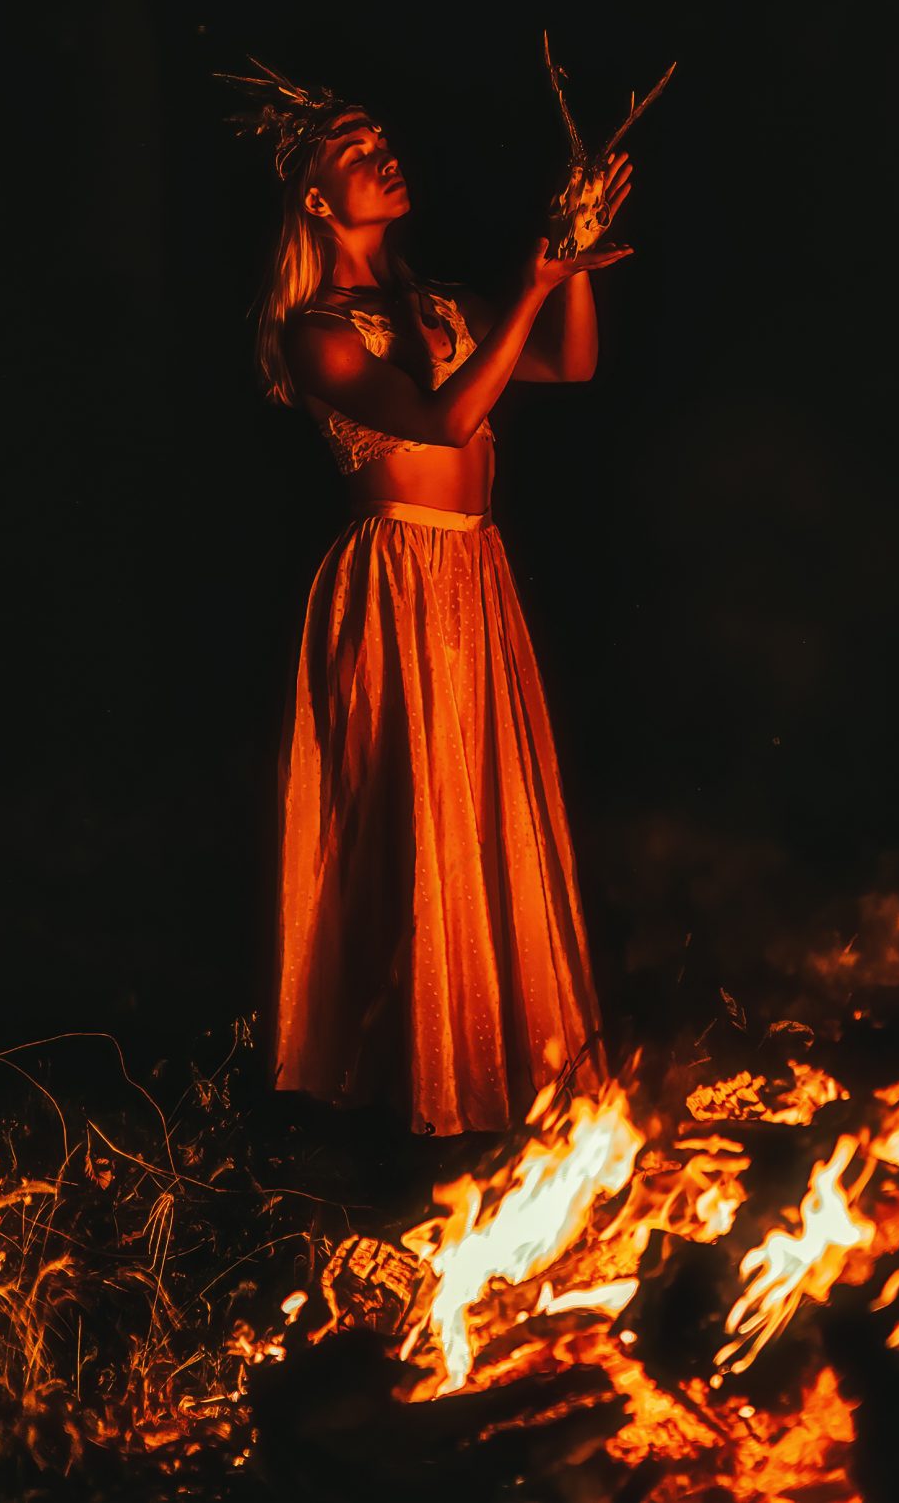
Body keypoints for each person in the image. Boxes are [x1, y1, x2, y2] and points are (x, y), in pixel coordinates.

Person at [227, 61, 632, 1136]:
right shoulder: (316, 328)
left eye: (381, 137)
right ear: (316, 198)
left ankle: (498, 1075)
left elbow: (570, 364)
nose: (383, 152)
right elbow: (446, 422)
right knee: (409, 821)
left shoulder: (440, 301)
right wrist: (535, 286)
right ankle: (392, 1099)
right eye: (354, 149)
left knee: (484, 807)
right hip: (394, 577)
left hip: (474, 572)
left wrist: (572, 265)